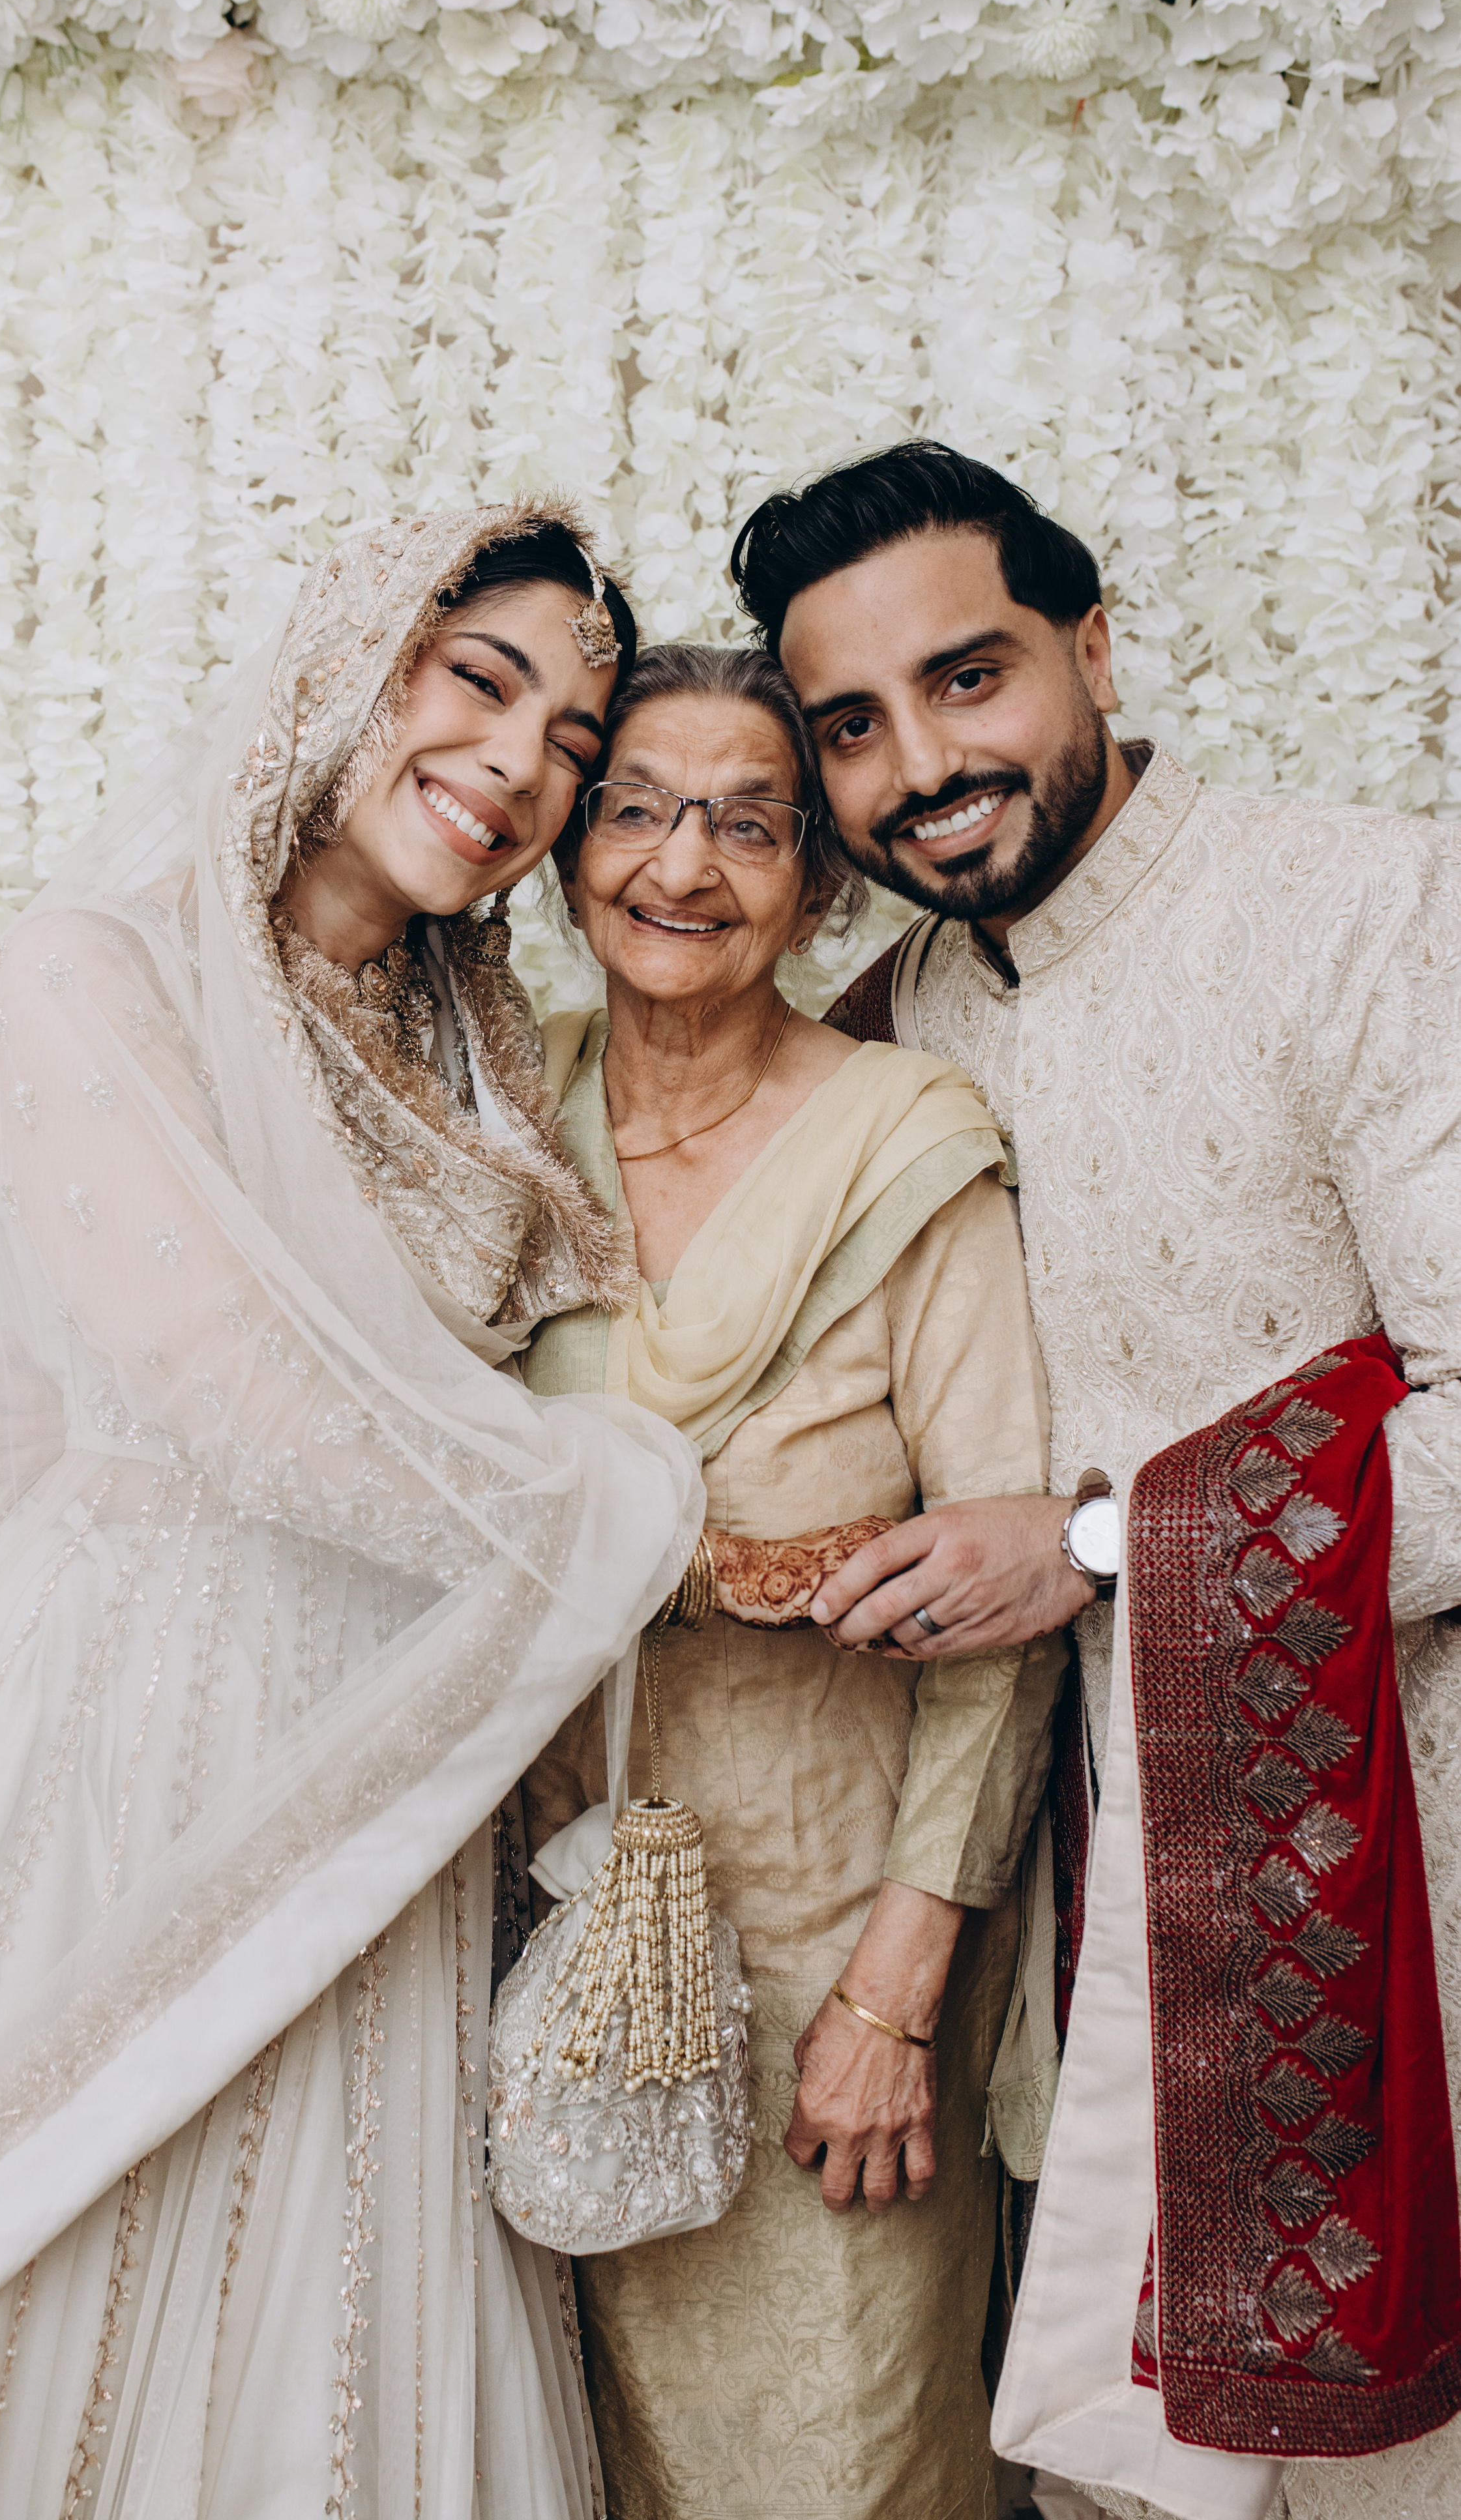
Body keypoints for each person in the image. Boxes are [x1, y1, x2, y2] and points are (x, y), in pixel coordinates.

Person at [0, 504, 708, 2518]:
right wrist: (623, 1506)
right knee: (46, 2225)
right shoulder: (94, 974)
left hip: (391, 1739)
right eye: (480, 681)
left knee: (334, 2278)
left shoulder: (466, 1048)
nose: (520, 766)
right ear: (348, 666)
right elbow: (247, 1402)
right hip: (127, 1714)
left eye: (573, 744)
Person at [730, 441, 1461, 2520]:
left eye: (967, 677)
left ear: (1095, 648)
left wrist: (1081, 1542)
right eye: (850, 726)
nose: (919, 768)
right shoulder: (892, 1030)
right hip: (1077, 1914)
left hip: (1404, 1875)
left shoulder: (1365, 907)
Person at [520, 641, 1067, 2520]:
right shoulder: (503, 1126)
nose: (682, 866)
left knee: (837, 2461)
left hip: (822, 1960)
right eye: (636, 811)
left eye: (749, 826)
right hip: (531, 1946)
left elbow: (1005, 1621)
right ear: (566, 852)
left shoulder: (908, 1146)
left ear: (822, 882)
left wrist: (893, 1998)